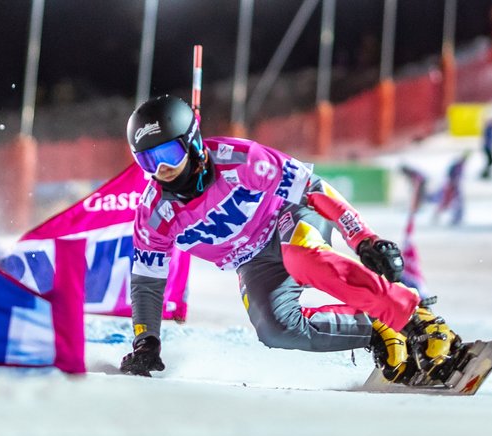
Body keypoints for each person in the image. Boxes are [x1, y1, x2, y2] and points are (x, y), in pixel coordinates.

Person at [120, 95, 463, 385]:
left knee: (302, 258)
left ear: (192, 142)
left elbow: (312, 189)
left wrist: (363, 239)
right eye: (148, 160)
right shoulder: (155, 216)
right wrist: (146, 342)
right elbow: (147, 283)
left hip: (287, 217)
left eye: (168, 155)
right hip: (250, 260)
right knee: (275, 329)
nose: (161, 170)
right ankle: (376, 328)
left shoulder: (241, 161)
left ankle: (415, 318)